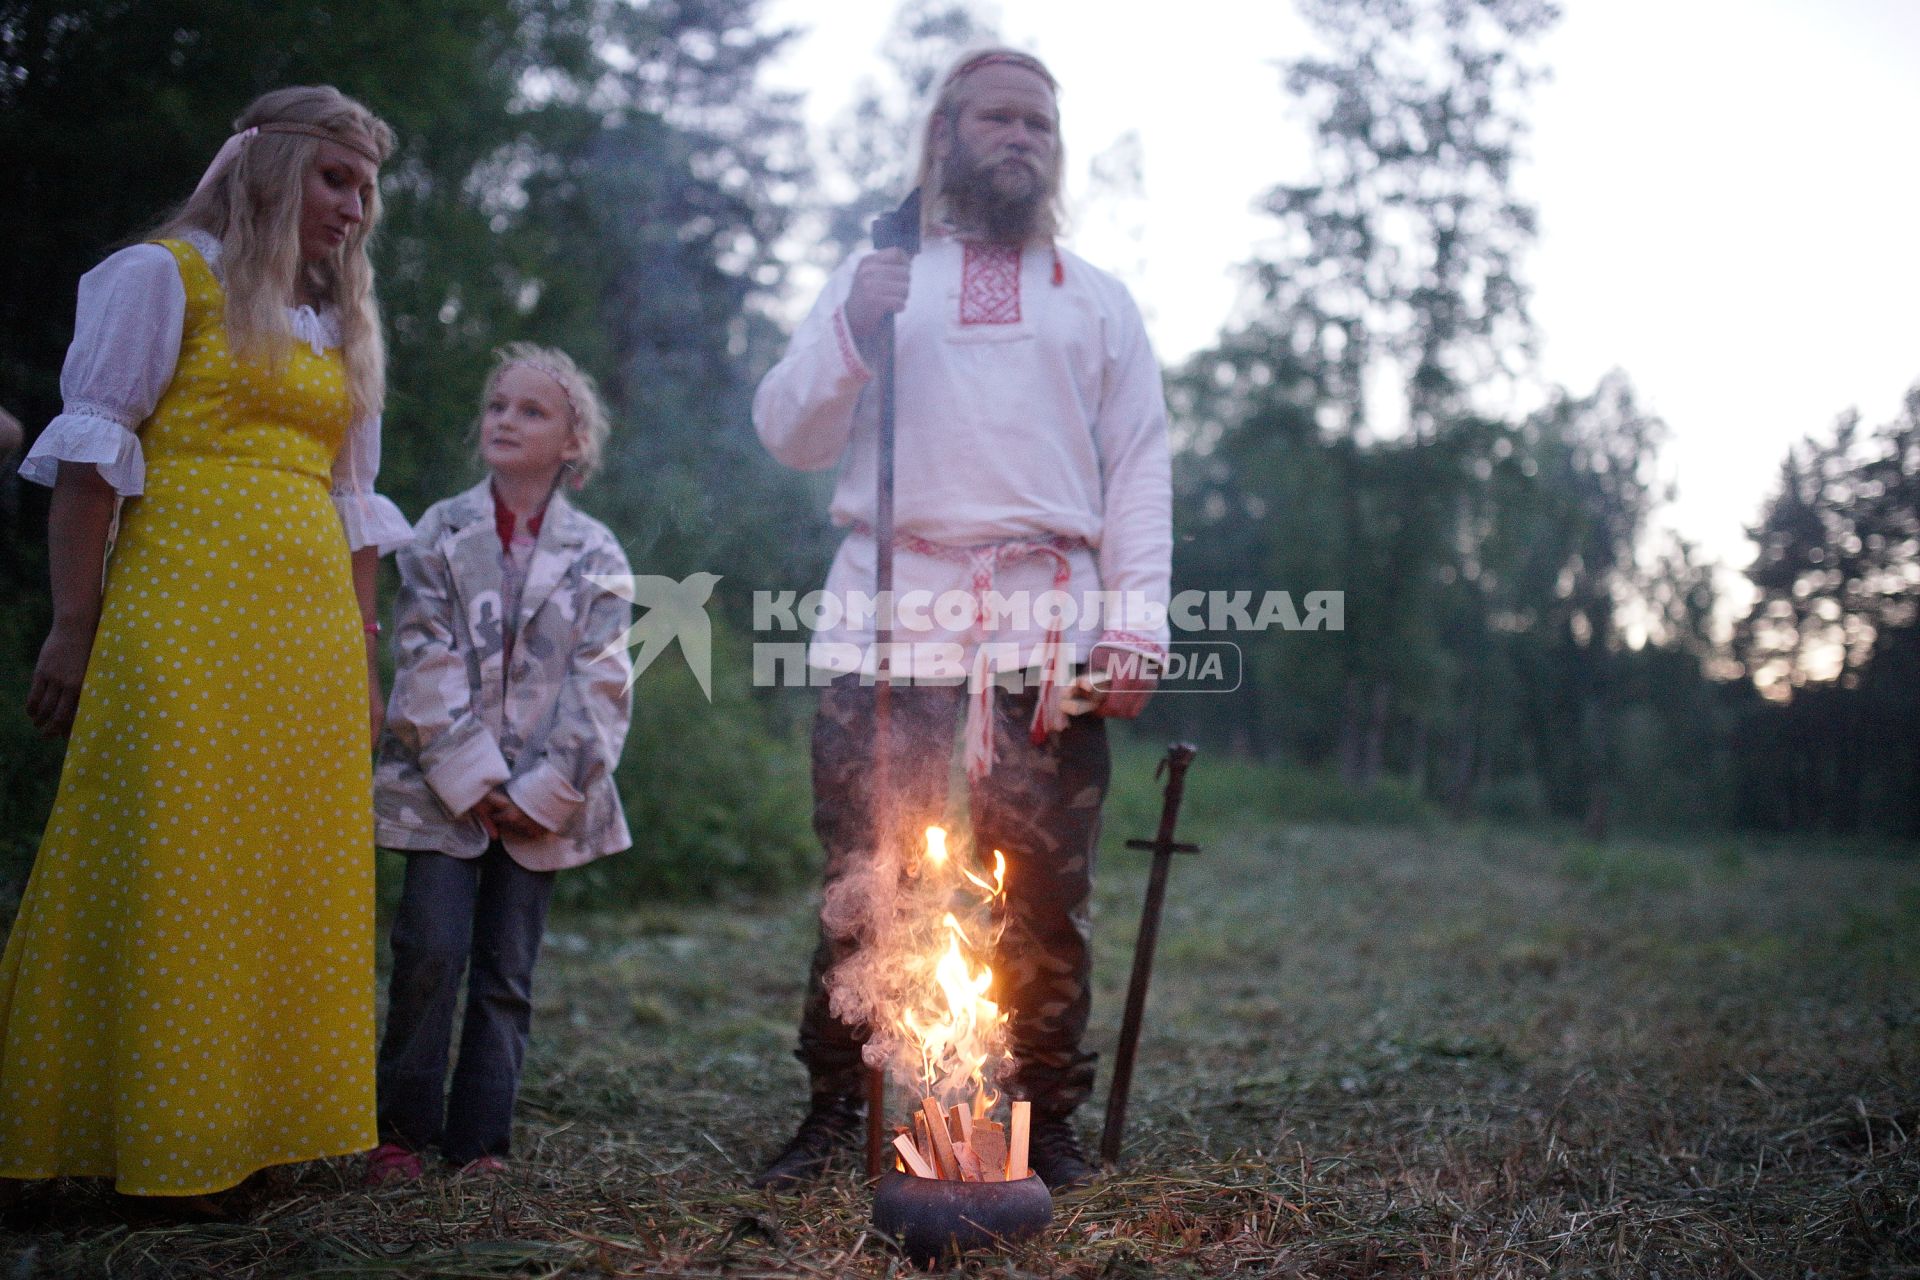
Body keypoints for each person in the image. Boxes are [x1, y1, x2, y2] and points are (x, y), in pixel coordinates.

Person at [750, 47, 1172, 1192]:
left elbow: (1137, 470)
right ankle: (844, 1102)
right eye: (996, 115)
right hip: (887, 618)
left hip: (1047, 632)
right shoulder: (881, 276)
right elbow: (788, 430)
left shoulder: (1095, 298)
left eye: (1038, 120)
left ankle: (1040, 1116)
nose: (1021, 136)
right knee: (866, 877)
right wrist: (850, 331)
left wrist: (1132, 624)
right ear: (944, 136)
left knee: (1042, 888)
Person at [1, 86, 410, 1200]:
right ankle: (152, 1137)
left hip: (310, 631)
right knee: (175, 850)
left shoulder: (342, 325)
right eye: (336, 177)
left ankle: (264, 1132)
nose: (355, 206)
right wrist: (74, 625)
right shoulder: (160, 277)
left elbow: (354, 504)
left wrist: (363, 663)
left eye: (366, 187)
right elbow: (89, 468)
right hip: (180, 609)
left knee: (290, 867)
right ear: (269, 167)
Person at [364, 344, 633, 1183]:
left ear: (572, 443)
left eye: (531, 410)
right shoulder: (440, 530)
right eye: (497, 405)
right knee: (429, 951)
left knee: (506, 973)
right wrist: (479, 783)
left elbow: (604, 684)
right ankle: (400, 1134)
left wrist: (542, 790)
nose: (505, 420)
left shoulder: (597, 555)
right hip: (441, 793)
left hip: (547, 804)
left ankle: (480, 1144)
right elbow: (421, 659)